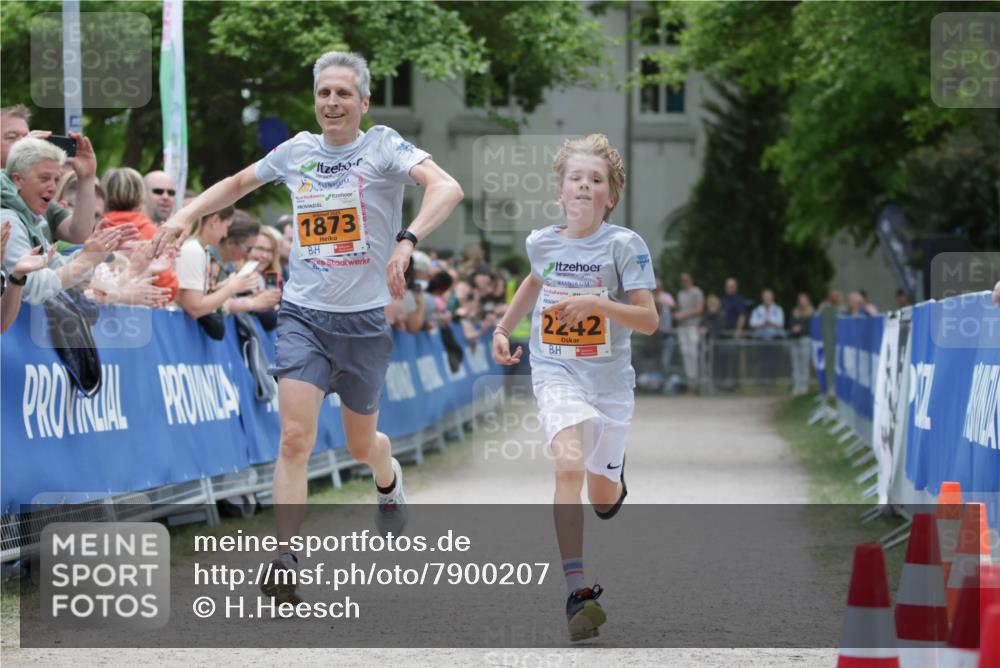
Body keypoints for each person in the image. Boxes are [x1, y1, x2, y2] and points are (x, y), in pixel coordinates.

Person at [151, 51, 463, 603]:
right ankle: (286, 559)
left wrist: (407, 240)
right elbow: (235, 184)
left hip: (364, 322)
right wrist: (182, 215)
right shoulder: (297, 151)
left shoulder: (384, 145)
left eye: (344, 93)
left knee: (362, 444)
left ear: (363, 102)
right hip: (303, 315)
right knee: (295, 437)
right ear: (315, 100)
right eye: (324, 93)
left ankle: (387, 481)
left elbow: (446, 188)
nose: (333, 102)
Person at [492, 134, 657, 642]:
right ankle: (577, 591)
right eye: (575, 179)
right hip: (555, 370)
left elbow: (648, 320)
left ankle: (613, 477)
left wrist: (599, 304)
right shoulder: (543, 241)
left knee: (602, 498)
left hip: (608, 384)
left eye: (596, 180)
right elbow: (534, 282)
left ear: (611, 196)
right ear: (560, 192)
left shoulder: (624, 245)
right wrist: (503, 328)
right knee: (567, 464)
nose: (585, 186)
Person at [1, 138, 133, 306]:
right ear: (18, 180)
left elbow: (55, 265)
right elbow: (31, 288)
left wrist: (93, 253)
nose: (53, 187)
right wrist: (86, 261)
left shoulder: (29, 217)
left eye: (56, 179)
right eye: (44, 178)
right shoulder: (7, 220)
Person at [1, 105, 98, 244]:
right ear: (17, 179)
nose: (25, 142)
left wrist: (87, 177)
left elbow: (80, 234)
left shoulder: (34, 194)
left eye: (26, 136)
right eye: (12, 137)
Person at [101, 167, 180, 302]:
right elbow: (169, 288)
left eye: (171, 193)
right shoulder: (150, 232)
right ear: (141, 197)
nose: (165, 196)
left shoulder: (95, 228)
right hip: (139, 313)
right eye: (158, 191)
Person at [674, 272, 704, 387]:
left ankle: (696, 380)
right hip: (682, 327)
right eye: (682, 280)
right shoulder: (680, 294)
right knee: (685, 353)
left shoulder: (696, 292)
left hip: (693, 326)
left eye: (686, 280)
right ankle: (690, 382)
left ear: (691, 280)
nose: (684, 282)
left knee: (693, 353)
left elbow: (699, 309)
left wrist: (684, 315)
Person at [788, 292, 815, 396]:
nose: (802, 302)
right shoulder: (795, 312)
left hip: (805, 339)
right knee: (796, 365)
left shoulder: (811, 313)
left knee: (804, 364)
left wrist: (801, 329)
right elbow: (790, 324)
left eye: (804, 300)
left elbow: (810, 327)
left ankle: (804, 387)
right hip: (795, 340)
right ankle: (797, 386)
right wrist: (793, 329)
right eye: (800, 300)